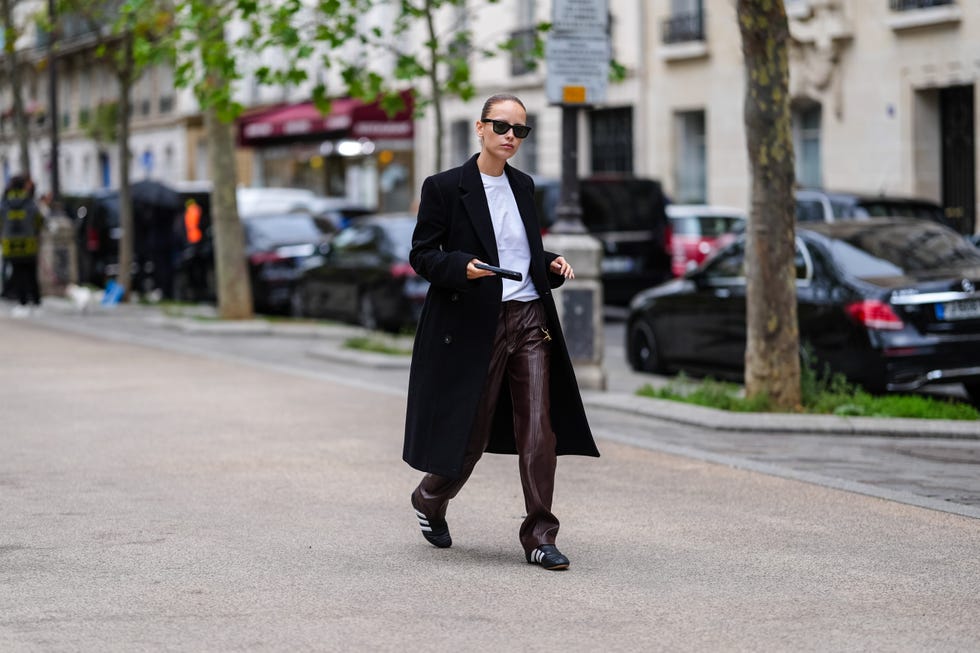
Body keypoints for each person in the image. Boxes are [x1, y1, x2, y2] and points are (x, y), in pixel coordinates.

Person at [403, 93, 600, 571]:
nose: (511, 136)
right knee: (470, 432)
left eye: (520, 130)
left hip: (530, 318)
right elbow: (422, 254)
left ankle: (539, 534)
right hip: (476, 324)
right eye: (502, 127)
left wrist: (549, 264)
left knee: (539, 429)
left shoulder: (524, 185)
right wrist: (460, 267)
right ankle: (430, 497)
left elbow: (524, 253)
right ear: (480, 128)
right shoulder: (446, 187)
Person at [0, 175, 44, 316]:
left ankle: (22, 303)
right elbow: (39, 220)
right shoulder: (29, 201)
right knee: (31, 273)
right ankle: (36, 303)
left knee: (17, 273)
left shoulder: (5, 202)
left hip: (10, 244)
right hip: (29, 243)